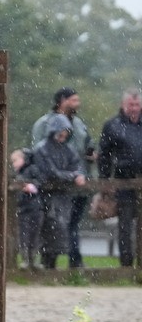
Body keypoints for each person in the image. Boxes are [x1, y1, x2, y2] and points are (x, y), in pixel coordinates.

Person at [31, 87, 94, 267]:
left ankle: (75, 262)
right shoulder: (44, 124)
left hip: (76, 183)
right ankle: (48, 262)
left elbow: (83, 148)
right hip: (53, 185)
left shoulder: (79, 125)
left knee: (72, 224)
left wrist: (89, 157)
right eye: (73, 100)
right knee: (52, 223)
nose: (77, 104)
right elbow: (40, 154)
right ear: (62, 101)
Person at [97, 88, 142, 267]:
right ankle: (126, 264)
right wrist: (105, 180)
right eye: (131, 104)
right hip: (124, 181)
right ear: (123, 105)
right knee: (125, 225)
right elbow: (105, 155)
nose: (134, 108)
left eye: (137, 104)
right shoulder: (113, 125)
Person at [11, 148, 43, 270]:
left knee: (33, 234)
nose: (13, 164)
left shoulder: (31, 170)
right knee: (25, 234)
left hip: (33, 207)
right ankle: (26, 259)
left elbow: (39, 182)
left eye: (15, 160)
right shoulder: (19, 173)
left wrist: (31, 187)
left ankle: (32, 259)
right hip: (25, 208)